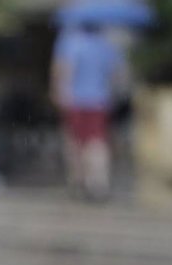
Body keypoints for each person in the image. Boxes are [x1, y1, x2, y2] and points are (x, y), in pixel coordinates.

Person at [51, 22, 127, 200]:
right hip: (100, 101)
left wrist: (59, 92)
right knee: (97, 142)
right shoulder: (107, 46)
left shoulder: (69, 43)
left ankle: (77, 180)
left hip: (75, 101)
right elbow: (118, 75)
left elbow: (64, 70)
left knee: (75, 142)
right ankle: (99, 183)